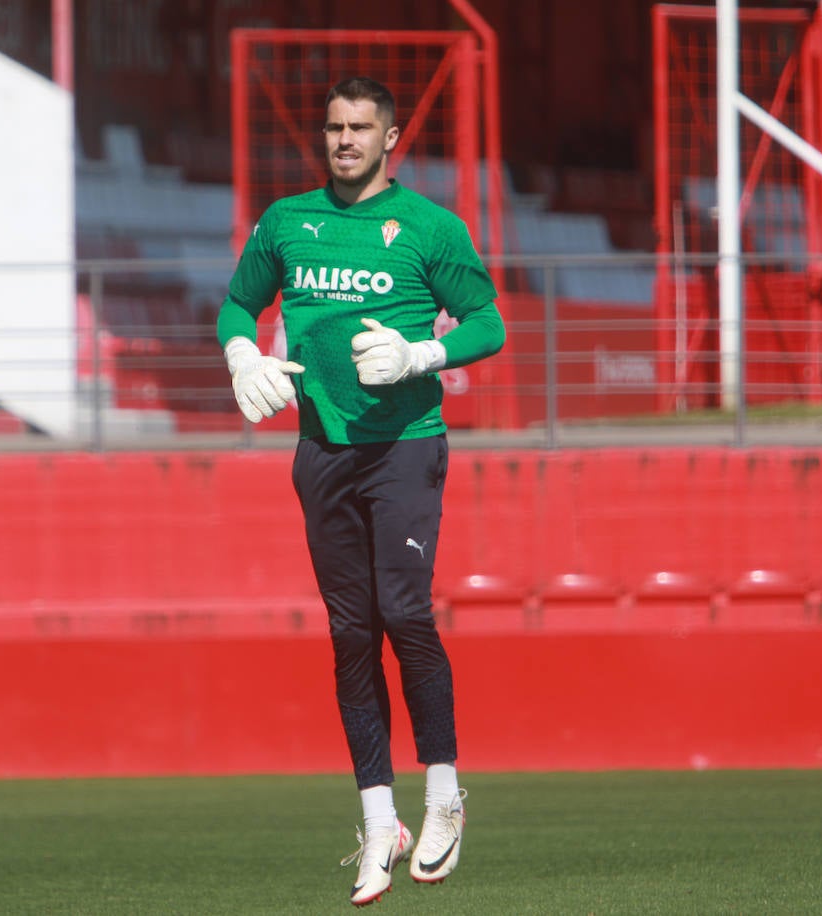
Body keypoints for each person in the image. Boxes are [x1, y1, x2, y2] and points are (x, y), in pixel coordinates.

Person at [217, 76, 505, 906]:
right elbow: (239, 305)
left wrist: (423, 356)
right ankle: (380, 819)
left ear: (390, 140)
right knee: (350, 633)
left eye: (360, 128)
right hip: (321, 451)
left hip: (406, 448)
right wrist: (243, 356)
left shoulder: (428, 230)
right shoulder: (287, 222)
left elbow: (487, 321)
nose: (344, 139)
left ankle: (444, 795)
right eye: (334, 126)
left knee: (405, 613)